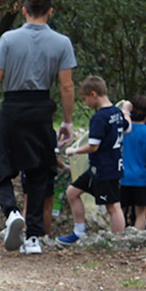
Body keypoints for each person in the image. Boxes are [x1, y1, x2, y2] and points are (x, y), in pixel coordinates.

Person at [0, 0, 78, 255]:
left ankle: (10, 213)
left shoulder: (8, 39)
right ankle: (33, 237)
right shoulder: (62, 42)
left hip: (13, 107)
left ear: (24, 10)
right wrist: (67, 121)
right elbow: (66, 86)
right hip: (41, 108)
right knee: (39, 170)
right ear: (50, 11)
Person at [58, 76, 128, 241]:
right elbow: (128, 127)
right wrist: (126, 111)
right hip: (99, 167)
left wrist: (74, 150)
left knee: (113, 206)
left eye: (85, 99)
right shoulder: (117, 113)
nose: (85, 103)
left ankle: (118, 240)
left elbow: (93, 146)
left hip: (106, 169)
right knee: (72, 192)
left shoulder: (99, 117)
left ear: (93, 94)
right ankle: (79, 232)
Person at [118, 95, 146, 230]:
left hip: (122, 176)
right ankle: (137, 240)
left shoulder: (123, 130)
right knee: (141, 212)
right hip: (141, 179)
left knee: (121, 210)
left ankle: (117, 237)